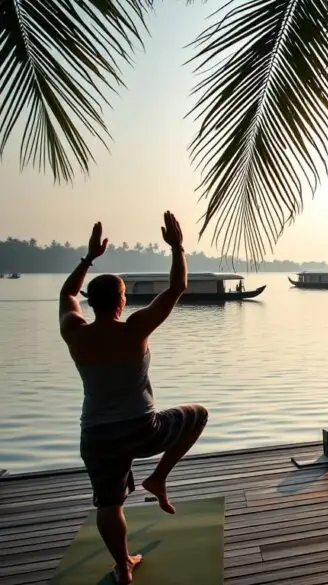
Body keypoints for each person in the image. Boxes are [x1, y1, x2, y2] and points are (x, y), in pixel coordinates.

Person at [59, 212, 209, 584]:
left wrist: (89, 258)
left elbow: (67, 294)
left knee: (109, 504)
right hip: (144, 431)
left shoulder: (75, 333)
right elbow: (176, 288)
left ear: (92, 303)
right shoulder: (136, 329)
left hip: (97, 436)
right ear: (121, 302)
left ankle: (123, 565)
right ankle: (158, 478)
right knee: (198, 414)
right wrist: (177, 247)